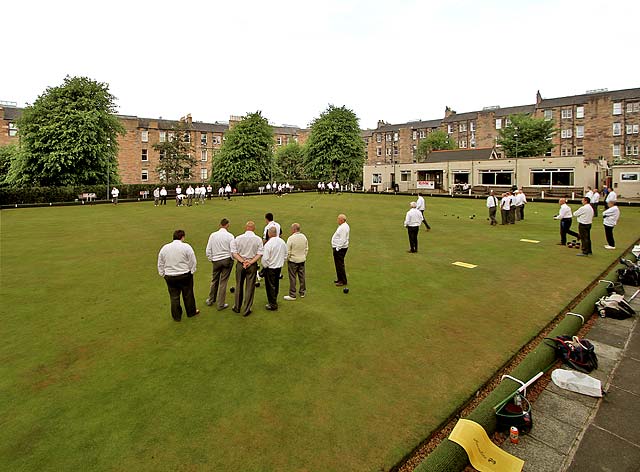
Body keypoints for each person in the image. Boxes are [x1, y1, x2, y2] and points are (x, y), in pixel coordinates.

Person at [157, 229, 199, 321]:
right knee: (188, 295)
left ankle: (176, 316)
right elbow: (192, 260)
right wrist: (192, 271)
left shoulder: (165, 248)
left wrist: (162, 273)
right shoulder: (186, 247)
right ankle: (191, 312)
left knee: (174, 297)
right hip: (184, 275)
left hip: (170, 276)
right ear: (182, 237)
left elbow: (160, 262)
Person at [230, 221, 263, 317]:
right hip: (251, 265)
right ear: (254, 228)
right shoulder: (258, 239)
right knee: (250, 287)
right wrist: (250, 262)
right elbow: (260, 253)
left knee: (239, 284)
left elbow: (234, 252)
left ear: (246, 228)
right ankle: (247, 309)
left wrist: (243, 261)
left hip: (241, 264)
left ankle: (237, 307)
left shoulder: (238, 238)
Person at [205, 218, 235, 311]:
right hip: (226, 260)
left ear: (220, 224)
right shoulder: (230, 236)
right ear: (227, 225)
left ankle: (211, 299)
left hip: (216, 260)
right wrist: (231, 259)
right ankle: (221, 304)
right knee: (223, 282)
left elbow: (208, 249)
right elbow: (232, 250)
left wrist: (211, 259)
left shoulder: (213, 235)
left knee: (214, 280)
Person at [261, 227, 288, 311]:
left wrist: (265, 266)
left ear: (269, 233)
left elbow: (265, 258)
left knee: (270, 286)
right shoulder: (282, 242)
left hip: (270, 267)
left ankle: (272, 304)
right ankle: (274, 299)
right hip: (278, 267)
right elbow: (286, 254)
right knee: (276, 284)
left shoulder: (269, 244)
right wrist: (281, 262)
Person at [284, 223, 308, 301]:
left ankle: (292, 294)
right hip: (302, 259)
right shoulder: (304, 237)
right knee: (302, 276)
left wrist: (287, 259)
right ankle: (302, 292)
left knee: (292, 277)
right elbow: (306, 248)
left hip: (293, 261)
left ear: (294, 229)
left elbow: (288, 251)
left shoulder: (291, 238)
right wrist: (304, 256)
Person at [331, 214, 350, 286]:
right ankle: (340, 279)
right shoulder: (343, 226)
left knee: (340, 265)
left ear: (342, 220)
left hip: (340, 249)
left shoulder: (343, 228)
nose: (337, 220)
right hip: (339, 248)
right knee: (338, 264)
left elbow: (343, 239)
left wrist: (337, 248)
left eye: (338, 219)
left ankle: (343, 281)